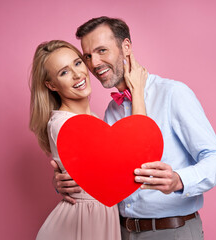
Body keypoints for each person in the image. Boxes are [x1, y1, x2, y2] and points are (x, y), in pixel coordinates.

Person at [53, 16, 216, 240]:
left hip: (172, 231)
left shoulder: (172, 94)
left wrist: (179, 179)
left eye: (102, 51)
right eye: (88, 56)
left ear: (125, 47)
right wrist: (63, 181)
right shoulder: (111, 111)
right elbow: (108, 175)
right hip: (122, 231)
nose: (94, 63)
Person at [29, 39, 147, 240]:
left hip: (100, 218)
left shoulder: (92, 118)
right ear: (51, 85)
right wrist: (137, 92)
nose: (77, 74)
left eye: (77, 63)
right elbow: (135, 161)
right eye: (63, 72)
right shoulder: (65, 124)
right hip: (82, 224)